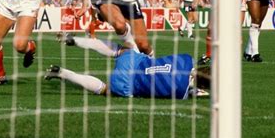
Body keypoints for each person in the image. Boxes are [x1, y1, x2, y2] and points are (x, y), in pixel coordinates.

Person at [46, 33, 210, 99]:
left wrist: (199, 64)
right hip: (126, 84)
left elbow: (190, 68)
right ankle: (63, 73)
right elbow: (191, 90)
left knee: (122, 49)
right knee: (104, 89)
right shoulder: (182, 93)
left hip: (134, 62)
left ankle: (74, 40)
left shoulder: (186, 59)